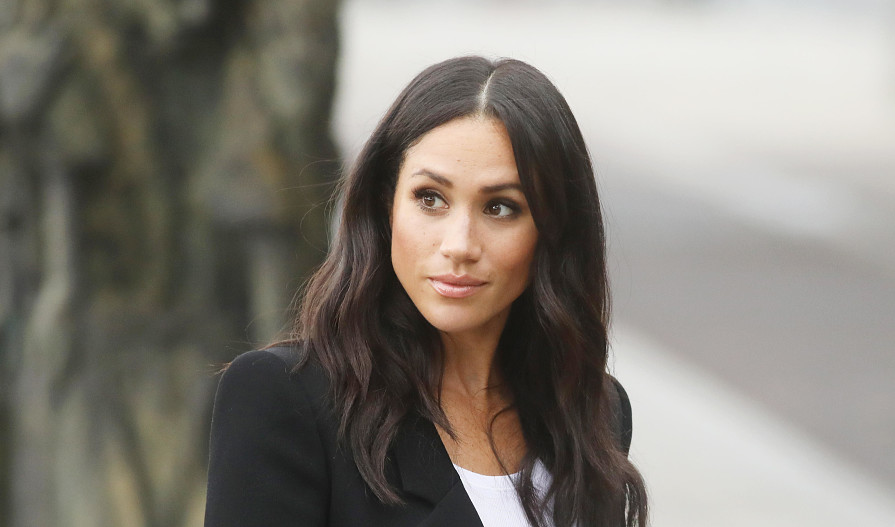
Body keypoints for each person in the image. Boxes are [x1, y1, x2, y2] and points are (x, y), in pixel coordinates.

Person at [204, 56, 648, 527]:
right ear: (386, 206)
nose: (459, 245)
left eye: (500, 207)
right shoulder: (286, 399)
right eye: (430, 199)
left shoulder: (594, 409)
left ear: (552, 230)